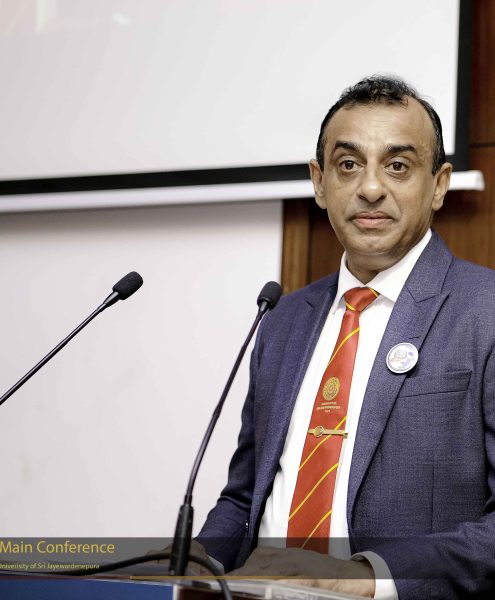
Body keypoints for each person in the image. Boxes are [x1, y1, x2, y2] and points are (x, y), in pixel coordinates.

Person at [195, 76, 495, 599]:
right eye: (349, 164)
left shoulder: (484, 310)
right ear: (319, 182)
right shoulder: (283, 320)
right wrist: (195, 561)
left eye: (397, 166)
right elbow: (244, 499)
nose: (370, 188)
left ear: (439, 184)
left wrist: (365, 575)